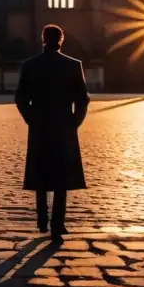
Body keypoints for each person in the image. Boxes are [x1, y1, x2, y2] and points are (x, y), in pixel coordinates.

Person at [14, 24, 90, 241]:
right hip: (64, 125)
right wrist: (75, 121)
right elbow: (83, 98)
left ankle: (41, 220)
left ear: (43, 39)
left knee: (40, 172)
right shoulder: (73, 65)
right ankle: (58, 224)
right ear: (61, 40)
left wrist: (31, 118)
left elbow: (20, 98)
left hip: (40, 124)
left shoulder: (30, 65)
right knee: (61, 177)